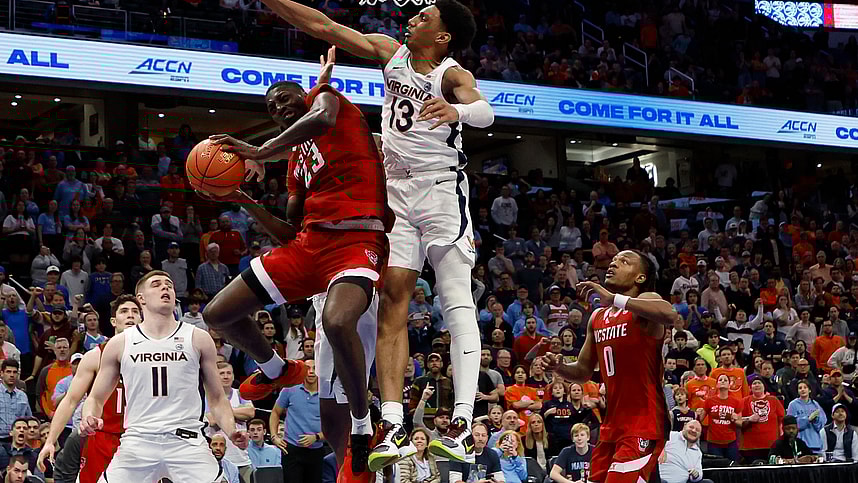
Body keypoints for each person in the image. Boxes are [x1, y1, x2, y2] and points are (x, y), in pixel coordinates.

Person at [255, 0, 491, 468]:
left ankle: (463, 421)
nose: (413, 19)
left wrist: (457, 112)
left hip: (441, 191)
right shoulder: (390, 52)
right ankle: (394, 424)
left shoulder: (450, 73)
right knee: (392, 306)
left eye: (425, 17)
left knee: (454, 297)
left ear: (442, 36)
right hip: (396, 195)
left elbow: (485, 111)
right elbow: (323, 24)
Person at [203, 47, 392, 482]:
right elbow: (290, 231)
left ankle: (364, 427)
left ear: (304, 96)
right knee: (218, 313)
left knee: (337, 321)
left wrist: (258, 148)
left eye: (285, 98)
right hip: (310, 246)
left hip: (358, 238)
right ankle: (278, 369)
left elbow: (320, 115)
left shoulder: (330, 103)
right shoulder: (295, 161)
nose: (278, 107)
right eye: (271, 106)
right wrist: (242, 200)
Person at [79, 271, 248, 482]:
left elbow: (217, 398)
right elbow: (95, 398)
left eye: (169, 284)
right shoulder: (120, 343)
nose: (165, 288)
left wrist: (231, 430)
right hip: (138, 441)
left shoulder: (198, 338)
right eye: (157, 285)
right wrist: (89, 416)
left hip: (187, 441)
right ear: (141, 298)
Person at [541, 250, 676, 483]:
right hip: (611, 424)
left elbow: (670, 315)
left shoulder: (647, 301)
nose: (613, 264)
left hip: (643, 422)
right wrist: (559, 367)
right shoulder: (597, 317)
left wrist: (614, 298)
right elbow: (583, 372)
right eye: (613, 261)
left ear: (640, 278)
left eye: (624, 261)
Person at [37, 295, 142, 482]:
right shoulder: (96, 356)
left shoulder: (156, 357)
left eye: (135, 312)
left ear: (142, 319)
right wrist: (51, 441)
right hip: (102, 438)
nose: (130, 316)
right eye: (124, 311)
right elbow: (70, 401)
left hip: (141, 439)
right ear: (113, 321)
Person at [270, 359, 324, 483]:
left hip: (316, 451)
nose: (311, 372)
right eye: (308, 368)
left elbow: (335, 426)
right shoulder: (290, 389)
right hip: (291, 450)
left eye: (315, 368)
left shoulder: (327, 393)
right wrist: (274, 436)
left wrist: (316, 437)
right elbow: (275, 412)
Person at [205, 362, 254, 482]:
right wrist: (237, 413)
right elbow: (210, 420)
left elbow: (250, 412)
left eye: (229, 373)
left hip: (241, 458)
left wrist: (222, 411)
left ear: (233, 375)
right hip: (216, 459)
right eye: (222, 373)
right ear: (215, 376)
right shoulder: (207, 396)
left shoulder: (240, 394)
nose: (226, 376)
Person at [698, 374, 742, 462]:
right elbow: (700, 420)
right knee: (716, 468)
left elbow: (740, 424)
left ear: (729, 385)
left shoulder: (736, 402)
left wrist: (735, 419)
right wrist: (697, 413)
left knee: (732, 467)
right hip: (713, 442)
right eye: (720, 380)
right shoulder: (709, 401)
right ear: (717, 385)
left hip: (731, 441)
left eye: (725, 380)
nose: (722, 381)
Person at [739, 378, 785, 463]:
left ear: (764, 386)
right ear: (750, 388)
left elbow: (782, 420)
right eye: (754, 383)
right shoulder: (744, 401)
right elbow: (737, 420)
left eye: (759, 383)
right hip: (750, 447)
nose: (757, 385)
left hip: (772, 445)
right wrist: (749, 419)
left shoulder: (773, 400)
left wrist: (781, 439)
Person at [786, 380, 827, 453]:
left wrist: (816, 420)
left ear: (810, 390)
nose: (803, 389)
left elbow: (822, 424)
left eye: (805, 387)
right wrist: (807, 419)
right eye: (800, 388)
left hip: (815, 444)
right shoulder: (793, 405)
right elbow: (790, 425)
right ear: (797, 391)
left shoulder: (815, 404)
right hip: (800, 443)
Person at [0, 361, 31, 445]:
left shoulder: (23, 396)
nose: (12, 375)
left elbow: (29, 419)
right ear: (2, 373)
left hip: (18, 441)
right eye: (8, 372)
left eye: (14, 372)